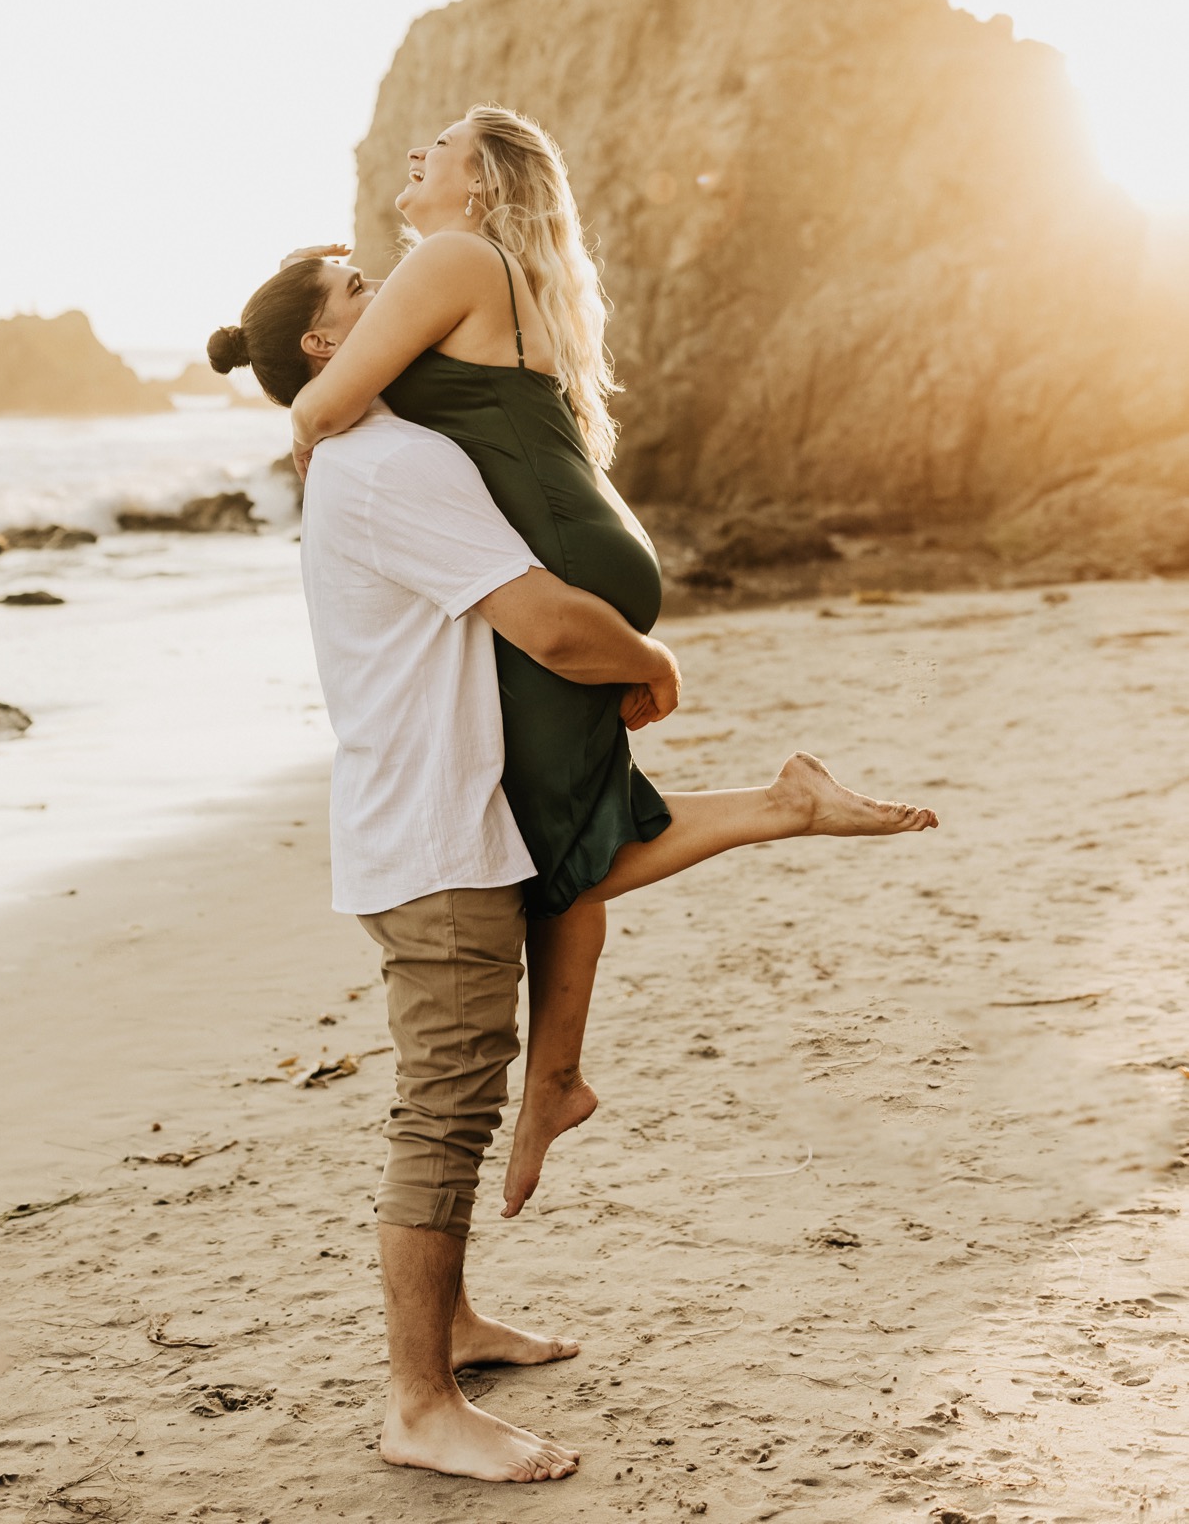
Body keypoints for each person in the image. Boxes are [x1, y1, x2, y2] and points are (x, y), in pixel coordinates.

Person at [280, 106, 937, 1215]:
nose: (412, 158)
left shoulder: (450, 257)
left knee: (539, 848)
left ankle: (767, 825)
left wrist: (304, 434)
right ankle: (560, 1077)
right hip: (582, 546)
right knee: (556, 832)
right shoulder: (485, 269)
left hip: (563, 570)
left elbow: (327, 401)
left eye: (433, 149)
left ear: (479, 183)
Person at [209, 260, 681, 1481]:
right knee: (447, 1110)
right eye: (364, 284)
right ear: (325, 342)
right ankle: (417, 1402)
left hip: (422, 825)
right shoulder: (389, 465)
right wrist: (647, 660)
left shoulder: (373, 453)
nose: (398, 286)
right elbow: (544, 622)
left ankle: (454, 1329)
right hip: (431, 840)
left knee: (456, 1099)